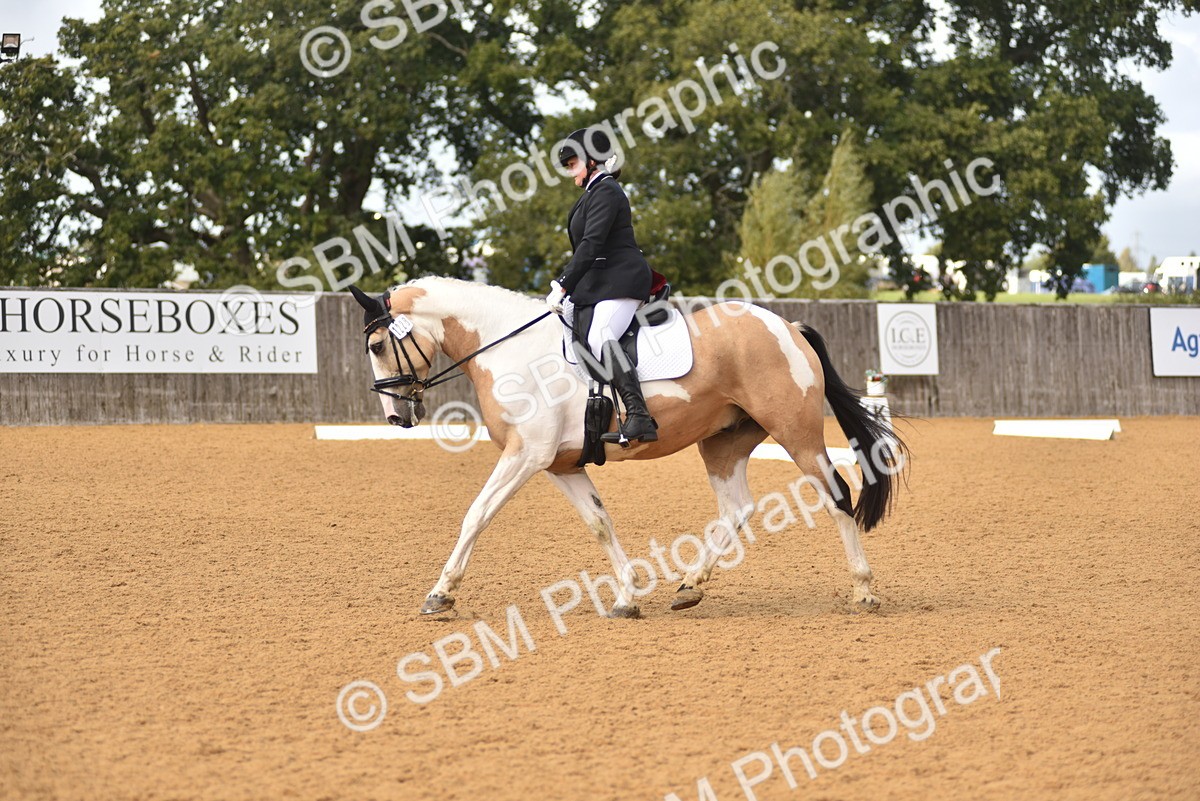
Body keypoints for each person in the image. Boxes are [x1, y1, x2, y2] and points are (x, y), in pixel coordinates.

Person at [545, 126, 659, 443]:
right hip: (602, 283)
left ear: (591, 160)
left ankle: (639, 416)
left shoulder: (607, 191)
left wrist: (563, 285)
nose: (571, 173)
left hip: (621, 280)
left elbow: (592, 244)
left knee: (601, 335)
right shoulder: (593, 193)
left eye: (573, 165)